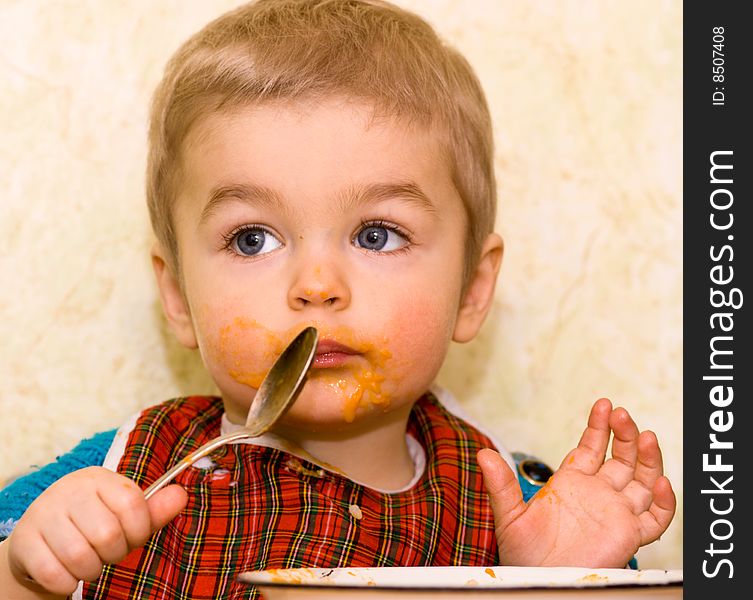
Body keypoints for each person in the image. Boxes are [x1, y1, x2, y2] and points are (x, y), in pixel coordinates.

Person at [0, 0, 676, 598]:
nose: (316, 285)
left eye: (376, 235)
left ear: (472, 290)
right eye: (252, 239)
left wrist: (552, 584)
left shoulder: (518, 509)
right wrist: (26, 574)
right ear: (176, 297)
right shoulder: (118, 470)